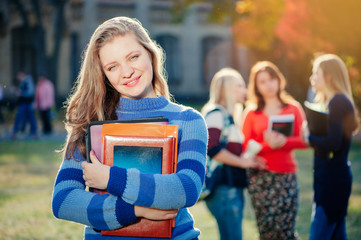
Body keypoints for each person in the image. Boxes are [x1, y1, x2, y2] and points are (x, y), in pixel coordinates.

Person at [51, 16, 208, 240]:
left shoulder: (188, 120)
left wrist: (112, 179)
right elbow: (64, 200)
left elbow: (186, 189)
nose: (127, 72)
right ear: (103, 74)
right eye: (112, 67)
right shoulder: (91, 123)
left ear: (150, 54)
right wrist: (135, 210)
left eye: (133, 57)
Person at [241, 61, 308, 240]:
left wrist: (284, 141)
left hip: (286, 175)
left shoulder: (293, 108)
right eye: (262, 81)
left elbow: (305, 141)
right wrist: (268, 145)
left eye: (271, 79)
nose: (268, 85)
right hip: (260, 177)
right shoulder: (251, 112)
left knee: (286, 229)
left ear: (279, 80)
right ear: (256, 86)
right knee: (267, 230)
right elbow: (244, 146)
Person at [201, 68, 265, 240]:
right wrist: (242, 163)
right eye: (239, 86)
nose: (245, 91)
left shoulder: (229, 118)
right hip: (223, 190)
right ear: (226, 89)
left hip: (231, 189)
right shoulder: (216, 114)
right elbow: (211, 148)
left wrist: (248, 160)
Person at [306, 54, 359, 240]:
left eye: (316, 73)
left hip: (333, 182)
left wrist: (309, 137)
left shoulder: (338, 102)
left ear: (328, 76)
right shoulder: (332, 102)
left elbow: (333, 143)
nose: (312, 78)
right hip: (329, 179)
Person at [11, 71, 38, 139]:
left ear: (22, 75)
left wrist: (18, 92)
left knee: (28, 118)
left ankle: (34, 132)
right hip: (24, 103)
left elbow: (29, 93)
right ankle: (16, 132)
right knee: (24, 118)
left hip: (27, 103)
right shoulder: (23, 82)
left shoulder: (28, 82)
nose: (18, 78)